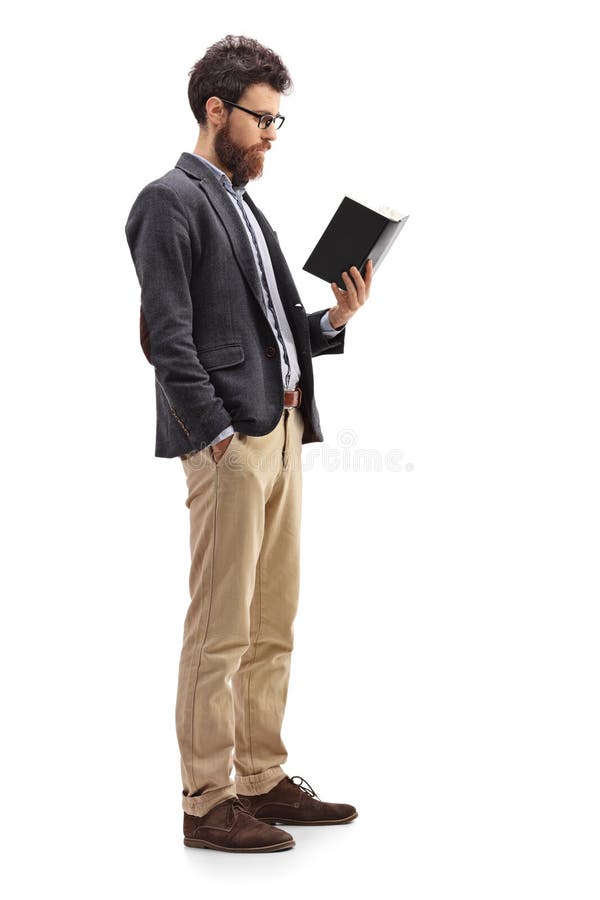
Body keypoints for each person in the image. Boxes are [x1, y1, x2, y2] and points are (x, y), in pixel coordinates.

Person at [124, 34, 373, 854]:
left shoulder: (242, 203)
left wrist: (332, 320)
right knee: (220, 628)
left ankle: (261, 777)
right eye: (262, 119)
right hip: (233, 444)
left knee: (273, 620)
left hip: (286, 427)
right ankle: (205, 799)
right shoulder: (170, 200)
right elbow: (169, 339)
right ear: (215, 110)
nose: (271, 134)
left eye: (278, 120)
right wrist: (220, 437)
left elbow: (262, 335)